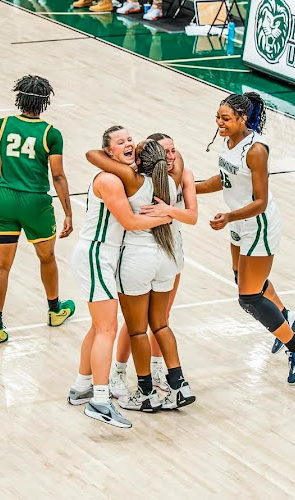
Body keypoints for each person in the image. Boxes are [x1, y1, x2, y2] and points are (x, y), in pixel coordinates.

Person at [196, 92, 295, 384]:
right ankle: (286, 315)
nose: (219, 122)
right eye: (218, 117)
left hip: (258, 223)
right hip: (240, 221)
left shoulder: (256, 150)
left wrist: (228, 217)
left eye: (225, 118)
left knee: (248, 298)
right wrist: (187, 189)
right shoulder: (229, 143)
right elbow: (223, 179)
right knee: (243, 277)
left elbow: (260, 201)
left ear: (241, 118)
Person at [68, 126, 174, 428]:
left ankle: (81, 386)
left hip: (103, 256)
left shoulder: (122, 177)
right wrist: (170, 215)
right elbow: (129, 221)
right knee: (107, 329)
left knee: (98, 327)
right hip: (96, 255)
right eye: (120, 142)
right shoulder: (110, 180)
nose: (128, 144)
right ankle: (100, 402)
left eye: (130, 140)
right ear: (109, 152)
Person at [86, 140, 196, 411]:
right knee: (161, 324)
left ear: (141, 161)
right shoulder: (171, 181)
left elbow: (94, 156)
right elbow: (178, 159)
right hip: (167, 258)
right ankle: (180, 385)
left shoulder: (133, 180)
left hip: (138, 258)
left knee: (137, 330)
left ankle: (145, 393)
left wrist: (127, 158)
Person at [0, 75, 75, 344]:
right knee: (47, 258)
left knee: (1, 266)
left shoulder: (1, 126)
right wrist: (68, 212)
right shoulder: (51, 133)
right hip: (36, 203)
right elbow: (58, 176)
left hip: (5, 198)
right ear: (45, 102)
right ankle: (54, 310)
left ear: (19, 98)